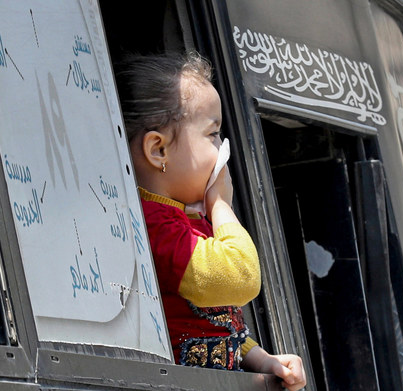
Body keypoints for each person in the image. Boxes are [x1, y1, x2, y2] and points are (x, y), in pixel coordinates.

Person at [118, 51, 306, 391]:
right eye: (213, 135)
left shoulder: (185, 219)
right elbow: (241, 277)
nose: (223, 150)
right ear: (158, 150)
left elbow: (219, 320)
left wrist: (264, 360)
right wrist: (220, 203)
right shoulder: (153, 224)